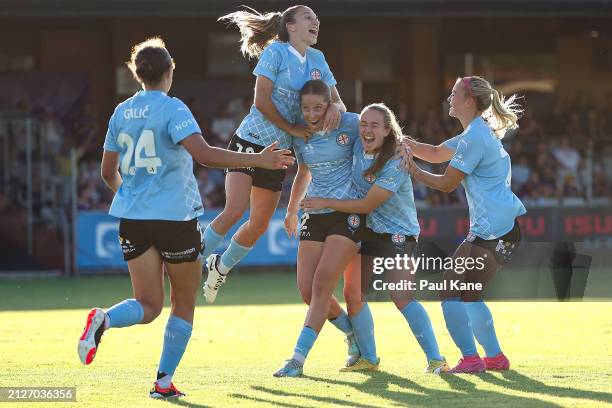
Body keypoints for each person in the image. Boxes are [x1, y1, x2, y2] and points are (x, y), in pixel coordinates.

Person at [77, 37, 293, 399]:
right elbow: (205, 156)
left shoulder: (120, 112)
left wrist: (132, 199)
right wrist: (259, 161)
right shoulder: (174, 108)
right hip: (175, 220)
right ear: (169, 72)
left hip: (132, 220)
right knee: (183, 302)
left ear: (135, 74)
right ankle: (163, 382)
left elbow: (106, 172)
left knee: (147, 304)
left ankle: (105, 318)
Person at [202, 5, 347, 303]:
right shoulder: (276, 53)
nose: (316, 21)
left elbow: (340, 104)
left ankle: (220, 266)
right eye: (309, 17)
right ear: (290, 26)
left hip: (278, 154)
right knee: (234, 209)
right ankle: (190, 259)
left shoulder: (318, 59)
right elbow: (261, 100)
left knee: (257, 225)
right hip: (252, 140)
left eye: (317, 18)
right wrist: (292, 128)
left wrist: (334, 106)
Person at [301, 103, 449, 374]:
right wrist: (334, 103)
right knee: (352, 292)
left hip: (399, 233)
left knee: (401, 295)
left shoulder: (396, 160)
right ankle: (369, 358)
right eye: (364, 124)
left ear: (387, 130)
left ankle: (436, 358)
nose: (367, 130)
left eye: (374, 125)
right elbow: (338, 113)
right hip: (368, 230)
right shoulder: (357, 143)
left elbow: (368, 204)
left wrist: (323, 201)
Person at [400, 75, 525, 373]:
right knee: (469, 294)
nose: (449, 98)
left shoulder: (474, 138)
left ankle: (471, 359)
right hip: (503, 229)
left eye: (454, 93)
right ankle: (494, 358)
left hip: (490, 230)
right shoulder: (478, 132)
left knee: (448, 289)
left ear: (469, 101)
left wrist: (410, 168)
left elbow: (445, 184)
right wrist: (404, 142)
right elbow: (435, 152)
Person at [279, 80, 362, 376]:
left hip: (346, 212)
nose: (311, 113)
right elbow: (303, 171)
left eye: (318, 107)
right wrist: (291, 209)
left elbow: (381, 135)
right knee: (306, 290)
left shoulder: (350, 123)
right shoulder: (300, 132)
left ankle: (297, 360)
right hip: (313, 211)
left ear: (330, 104)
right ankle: (354, 333)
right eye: (306, 108)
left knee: (322, 285)